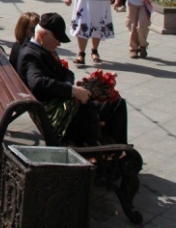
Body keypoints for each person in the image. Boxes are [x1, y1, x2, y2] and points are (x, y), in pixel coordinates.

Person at [16, 13, 128, 146]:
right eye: (57, 39)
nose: (58, 44)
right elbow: (37, 82)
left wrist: (70, 86)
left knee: (114, 100)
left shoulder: (42, 48)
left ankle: (114, 148)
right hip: (55, 113)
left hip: (59, 102)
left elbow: (67, 73)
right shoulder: (31, 54)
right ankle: (112, 150)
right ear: (42, 36)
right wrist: (72, 91)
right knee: (113, 105)